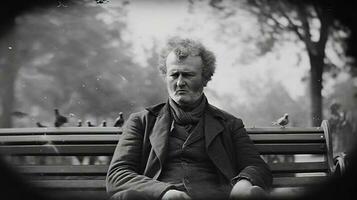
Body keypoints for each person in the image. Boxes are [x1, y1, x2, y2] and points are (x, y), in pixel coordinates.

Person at [106, 37, 272, 200]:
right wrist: (164, 191)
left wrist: (244, 182)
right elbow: (118, 175)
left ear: (205, 78)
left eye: (187, 75)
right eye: (174, 75)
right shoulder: (142, 122)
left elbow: (257, 166)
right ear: (166, 76)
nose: (179, 83)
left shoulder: (230, 124)